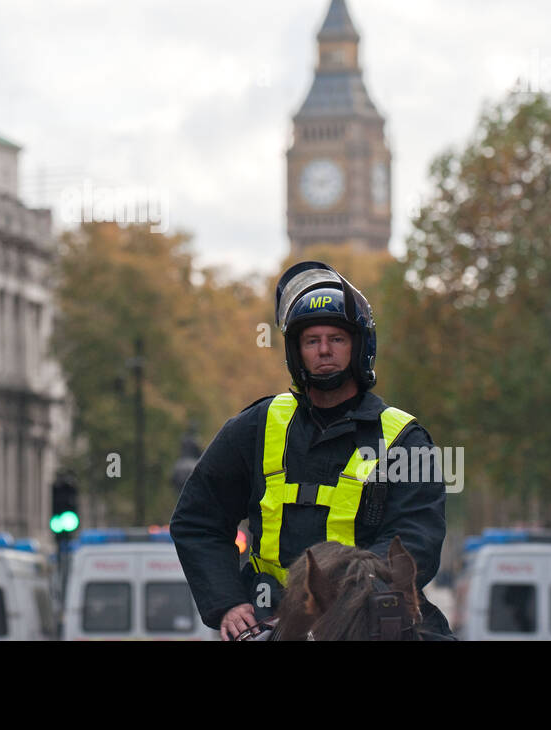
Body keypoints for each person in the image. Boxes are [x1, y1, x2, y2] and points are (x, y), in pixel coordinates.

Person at [170, 261, 454, 640]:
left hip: (369, 617)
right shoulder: (255, 426)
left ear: (358, 346)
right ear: (296, 351)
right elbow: (197, 520)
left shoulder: (405, 438)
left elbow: (416, 537)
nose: (323, 351)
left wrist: (355, 595)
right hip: (268, 618)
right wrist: (228, 603)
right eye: (311, 341)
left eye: (336, 339)